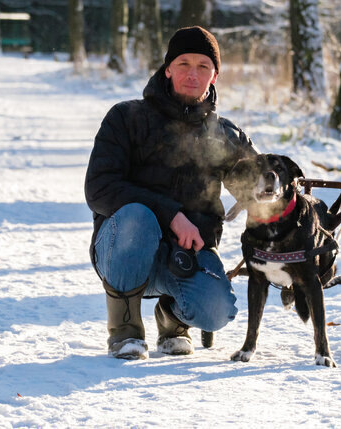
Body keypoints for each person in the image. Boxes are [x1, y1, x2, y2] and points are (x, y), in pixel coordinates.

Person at [85, 26, 258, 360]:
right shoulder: (126, 118)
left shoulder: (223, 135)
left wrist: (290, 194)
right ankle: (125, 332)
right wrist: (172, 216)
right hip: (122, 249)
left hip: (184, 256)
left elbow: (259, 186)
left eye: (203, 66)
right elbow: (99, 188)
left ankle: (172, 320)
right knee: (138, 216)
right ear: (167, 68)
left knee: (218, 310)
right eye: (183, 64)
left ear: (215, 75)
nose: (192, 74)